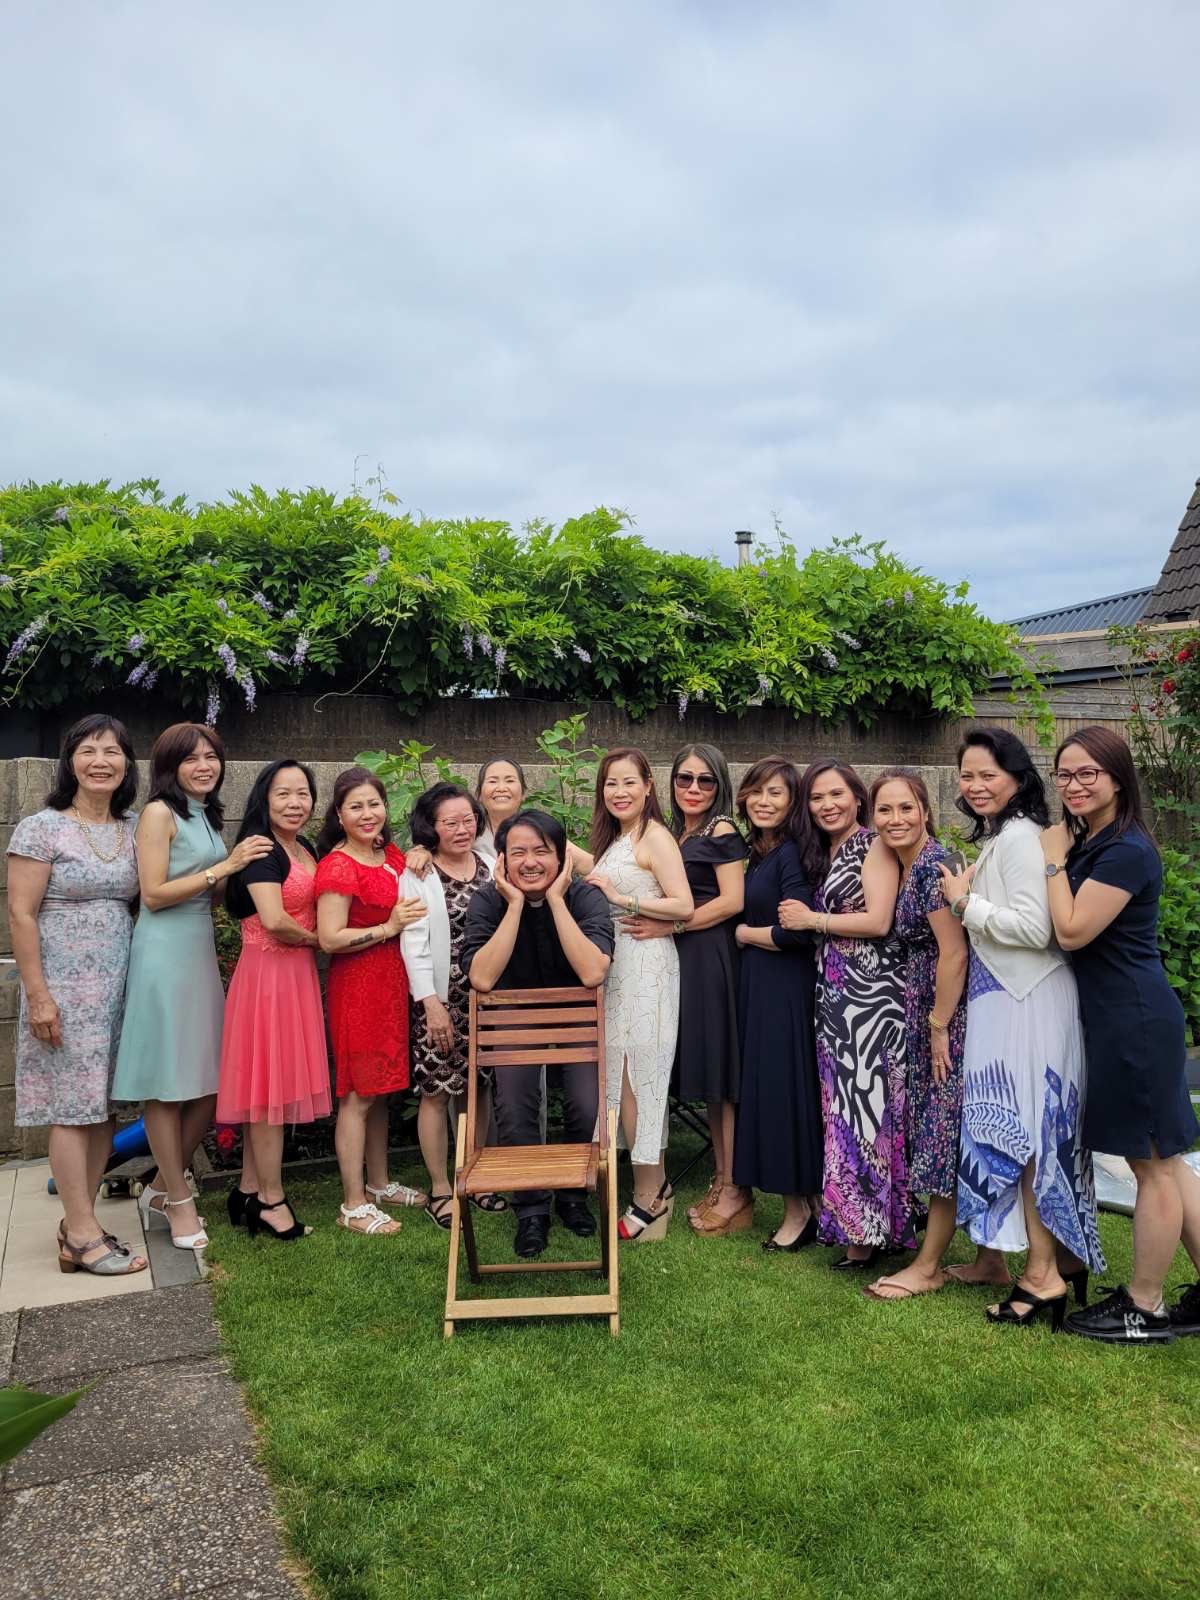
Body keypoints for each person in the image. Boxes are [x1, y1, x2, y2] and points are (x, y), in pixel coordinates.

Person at [940, 727, 1105, 1329]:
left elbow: (1037, 930)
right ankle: (1057, 1258)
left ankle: (1042, 1276)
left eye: (988, 775)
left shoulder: (1018, 838)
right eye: (967, 775)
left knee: (1029, 1137)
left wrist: (964, 903)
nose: (975, 785)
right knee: (1030, 1133)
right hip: (1009, 999)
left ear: (1017, 777)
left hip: (1025, 1001)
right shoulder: (1007, 835)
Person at [1041, 727, 1200, 1343]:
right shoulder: (1096, 841)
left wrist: (1052, 859)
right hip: (1120, 1018)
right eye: (1065, 774)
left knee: (1151, 1166)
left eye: (1088, 773)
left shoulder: (1126, 850)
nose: (1074, 785)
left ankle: (1144, 1305)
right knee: (1168, 1161)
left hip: (1133, 1020)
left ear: (1117, 778)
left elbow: (1073, 929)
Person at [113, 723, 273, 1252]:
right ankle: (178, 1198)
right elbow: (154, 893)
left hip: (197, 948)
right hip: (162, 952)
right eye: (191, 758)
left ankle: (160, 1187)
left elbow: (215, 891)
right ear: (169, 766)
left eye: (211, 756)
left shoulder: (204, 814)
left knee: (210, 1082)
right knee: (166, 1082)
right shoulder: (159, 813)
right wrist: (225, 865)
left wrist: (243, 869)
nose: (204, 766)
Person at [6, 714, 147, 1276]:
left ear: (127, 764)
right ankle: (83, 1233)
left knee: (103, 1107)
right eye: (88, 750)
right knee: (70, 1107)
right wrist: (38, 995)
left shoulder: (134, 827)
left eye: (112, 751)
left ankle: (79, 1225)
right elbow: (20, 914)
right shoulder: (41, 828)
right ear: (70, 762)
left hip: (119, 985)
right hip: (63, 986)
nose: (100, 761)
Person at [461, 808, 613, 1258]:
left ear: (561, 857)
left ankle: (573, 1195)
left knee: (585, 1102)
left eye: (542, 852)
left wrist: (558, 900)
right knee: (514, 1104)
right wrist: (513, 905)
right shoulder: (488, 901)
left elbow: (592, 972)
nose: (530, 862)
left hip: (577, 1013)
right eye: (518, 852)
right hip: (515, 1016)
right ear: (502, 860)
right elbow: (481, 978)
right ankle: (531, 1209)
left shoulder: (585, 898)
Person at [779, 759, 910, 1268]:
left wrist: (813, 919)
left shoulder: (872, 844)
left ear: (858, 798)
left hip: (871, 998)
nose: (826, 805)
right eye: (816, 797)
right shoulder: (827, 850)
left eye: (836, 794)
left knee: (865, 1110)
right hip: (838, 996)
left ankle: (867, 1233)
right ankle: (864, 1224)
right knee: (843, 1109)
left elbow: (878, 921)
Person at [629, 743, 750, 1238]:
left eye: (705, 780)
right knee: (707, 1073)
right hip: (678, 957)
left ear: (720, 785)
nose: (693, 788)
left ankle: (733, 1186)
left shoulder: (722, 830)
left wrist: (673, 927)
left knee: (721, 1076)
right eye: (684, 779)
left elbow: (732, 901)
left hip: (709, 956)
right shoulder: (675, 832)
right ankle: (723, 1179)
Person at [860, 770, 968, 1301]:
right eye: (884, 810)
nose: (895, 819)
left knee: (944, 1133)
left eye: (906, 808)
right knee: (947, 1129)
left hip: (948, 1013)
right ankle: (991, 1261)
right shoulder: (907, 864)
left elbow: (955, 952)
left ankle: (927, 1266)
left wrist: (939, 1027)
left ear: (925, 810)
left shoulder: (932, 867)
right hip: (926, 1007)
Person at [217, 759, 330, 1241]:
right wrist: (323, 940)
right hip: (268, 978)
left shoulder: (303, 846)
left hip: (295, 975)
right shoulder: (262, 847)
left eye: (303, 793)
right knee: (267, 1093)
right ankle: (271, 1199)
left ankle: (247, 1190)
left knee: (271, 1087)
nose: (294, 803)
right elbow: (275, 920)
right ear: (264, 798)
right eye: (283, 793)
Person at [315, 767, 429, 1237]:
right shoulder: (339, 866)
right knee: (358, 1095)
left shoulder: (388, 853)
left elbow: (414, 871)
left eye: (374, 804)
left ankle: (379, 1184)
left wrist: (420, 851)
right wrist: (388, 928)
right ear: (339, 815)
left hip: (391, 987)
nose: (367, 814)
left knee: (381, 1091)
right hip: (359, 988)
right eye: (356, 806)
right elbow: (329, 938)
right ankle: (352, 1203)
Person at [584, 748, 693, 1242]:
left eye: (629, 782)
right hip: (619, 967)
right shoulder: (617, 839)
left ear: (649, 785)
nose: (620, 792)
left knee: (642, 1077)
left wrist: (622, 899)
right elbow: (593, 869)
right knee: (622, 1077)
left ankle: (652, 1193)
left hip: (649, 965)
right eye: (611, 783)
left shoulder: (655, 836)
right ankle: (648, 1187)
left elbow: (684, 904)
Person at [400, 782, 506, 1229]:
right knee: (436, 1092)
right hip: (441, 1000)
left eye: (468, 820)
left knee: (477, 1089)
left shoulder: (491, 864)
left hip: (487, 1000)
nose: (462, 829)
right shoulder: (419, 874)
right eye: (450, 822)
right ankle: (441, 1188)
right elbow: (414, 944)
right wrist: (432, 1005)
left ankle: (473, 1177)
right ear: (431, 827)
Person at [729, 757, 824, 1252]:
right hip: (760, 986)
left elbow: (797, 932)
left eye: (776, 793)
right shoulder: (760, 851)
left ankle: (798, 1212)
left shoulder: (790, 854)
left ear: (793, 803)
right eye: (757, 791)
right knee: (769, 1092)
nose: (763, 801)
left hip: (784, 987)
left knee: (783, 1094)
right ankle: (810, 1205)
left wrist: (745, 933)